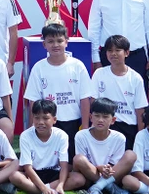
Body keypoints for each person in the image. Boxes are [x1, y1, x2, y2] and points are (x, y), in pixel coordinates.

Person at [23, 23, 95, 159]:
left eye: (59, 41)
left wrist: (85, 127)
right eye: (50, 41)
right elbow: (33, 100)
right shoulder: (39, 68)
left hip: (73, 123)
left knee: (73, 161)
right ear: (44, 44)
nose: (55, 45)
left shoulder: (77, 66)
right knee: (50, 161)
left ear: (66, 42)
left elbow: (85, 99)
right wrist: (35, 125)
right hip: (48, 124)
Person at [9, 99, 86, 194]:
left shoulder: (61, 135)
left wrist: (60, 185)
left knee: (79, 179)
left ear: (54, 119)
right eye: (36, 118)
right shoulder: (25, 136)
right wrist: (44, 189)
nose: (41, 122)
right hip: (34, 175)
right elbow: (28, 168)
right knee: (14, 176)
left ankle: (32, 193)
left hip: (54, 174)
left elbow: (64, 165)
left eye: (46, 118)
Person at [72, 97, 136, 194]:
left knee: (131, 155)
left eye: (105, 117)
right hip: (90, 175)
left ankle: (97, 187)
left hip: (111, 175)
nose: (100, 120)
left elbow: (115, 166)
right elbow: (80, 165)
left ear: (113, 120)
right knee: (78, 159)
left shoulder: (119, 138)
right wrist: (100, 168)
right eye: (97, 116)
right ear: (91, 117)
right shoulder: (81, 135)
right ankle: (111, 188)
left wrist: (106, 169)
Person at [91, 35, 148, 150]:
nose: (113, 54)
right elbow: (92, 101)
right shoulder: (99, 74)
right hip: (104, 126)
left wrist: (140, 137)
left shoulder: (135, 78)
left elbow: (140, 110)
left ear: (127, 53)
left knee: (127, 159)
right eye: (110, 50)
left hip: (128, 127)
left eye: (118, 50)